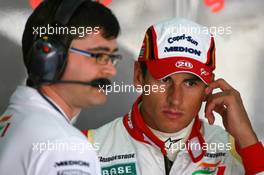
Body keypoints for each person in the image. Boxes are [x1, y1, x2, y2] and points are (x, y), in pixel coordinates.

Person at [83, 18, 264, 175]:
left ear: (208, 87)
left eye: (190, 83)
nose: (175, 99)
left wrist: (248, 141)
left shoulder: (238, 150)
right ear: (138, 76)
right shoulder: (87, 148)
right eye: (164, 80)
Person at [0, 0, 121, 174]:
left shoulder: (12, 120)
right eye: (100, 55)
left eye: (112, 57)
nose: (110, 70)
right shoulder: (66, 146)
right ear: (50, 57)